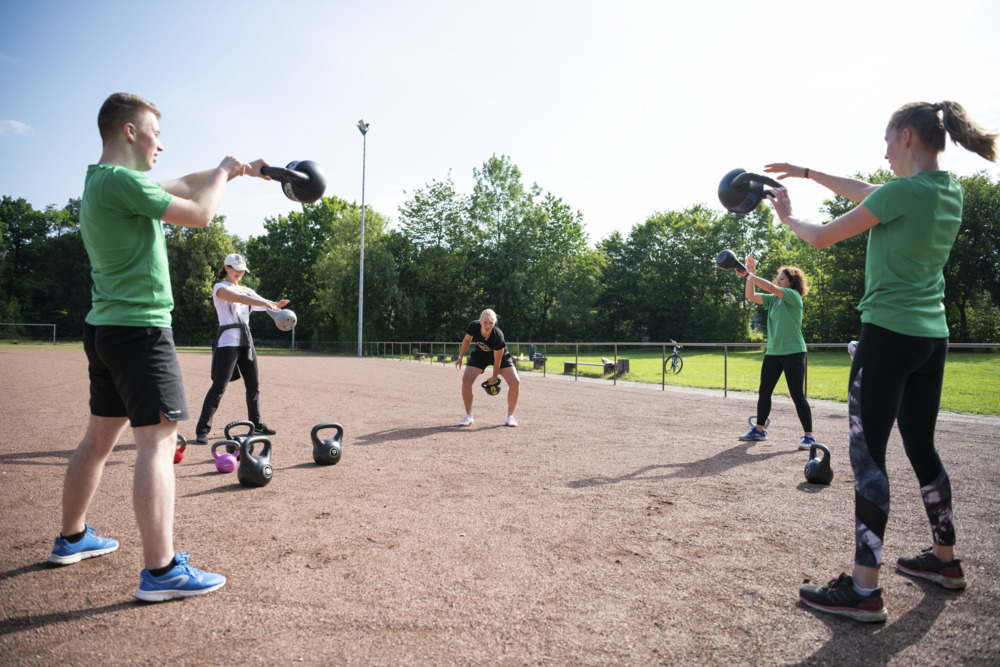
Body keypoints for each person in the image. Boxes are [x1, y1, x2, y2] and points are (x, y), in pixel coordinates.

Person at [765, 101, 997, 622]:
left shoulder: (904, 192)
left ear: (908, 136)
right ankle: (945, 560)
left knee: (869, 458)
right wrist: (806, 172)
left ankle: (865, 588)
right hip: (929, 340)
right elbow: (868, 193)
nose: (884, 151)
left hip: (887, 338)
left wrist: (787, 216)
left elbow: (822, 236)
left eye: (888, 140)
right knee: (921, 447)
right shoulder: (945, 191)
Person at [48, 92, 269, 602]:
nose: (161, 145)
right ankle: (162, 571)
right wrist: (219, 174)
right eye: (155, 133)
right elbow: (199, 212)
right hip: (140, 332)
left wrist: (237, 171)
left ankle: (73, 537)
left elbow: (186, 184)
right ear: (129, 131)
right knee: (158, 442)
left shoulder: (102, 182)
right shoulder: (124, 182)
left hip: (105, 329)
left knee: (98, 440)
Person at [193, 254, 289, 444]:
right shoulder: (220, 288)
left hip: (247, 341)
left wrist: (276, 306)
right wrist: (263, 303)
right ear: (226, 267)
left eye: (242, 270)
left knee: (253, 385)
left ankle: (257, 424)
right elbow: (240, 298)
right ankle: (202, 429)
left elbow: (264, 303)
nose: (239, 272)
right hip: (227, 342)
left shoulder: (248, 291)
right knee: (219, 386)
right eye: (236, 269)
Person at [735, 259, 816, 450]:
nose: (778, 281)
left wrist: (749, 275)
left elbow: (770, 287)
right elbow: (750, 295)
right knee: (765, 391)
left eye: (782, 279)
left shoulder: (793, 296)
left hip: (794, 352)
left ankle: (809, 436)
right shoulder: (773, 300)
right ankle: (759, 430)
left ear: (792, 283)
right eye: (778, 278)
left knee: (797, 395)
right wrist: (750, 274)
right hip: (773, 352)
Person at [454, 309, 520, 427]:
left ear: (495, 323)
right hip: (480, 356)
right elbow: (467, 340)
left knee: (515, 382)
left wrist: (494, 378)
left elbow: (497, 361)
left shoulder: (498, 336)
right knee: (466, 380)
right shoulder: (473, 326)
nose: (488, 325)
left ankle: (510, 416)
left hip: (500, 357)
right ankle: (468, 416)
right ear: (480, 321)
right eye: (485, 322)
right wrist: (460, 357)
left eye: (491, 323)